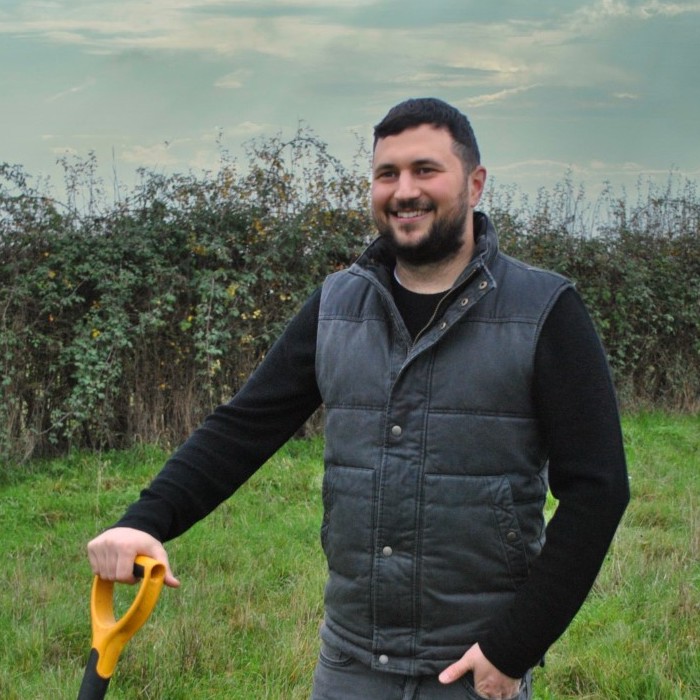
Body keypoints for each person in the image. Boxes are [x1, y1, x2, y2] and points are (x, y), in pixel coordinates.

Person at [87, 98, 630, 699]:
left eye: (426, 170)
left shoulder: (544, 310)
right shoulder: (336, 305)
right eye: (386, 174)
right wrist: (144, 521)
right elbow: (243, 428)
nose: (404, 191)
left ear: (474, 183)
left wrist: (515, 645)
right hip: (350, 662)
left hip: (474, 670)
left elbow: (598, 490)